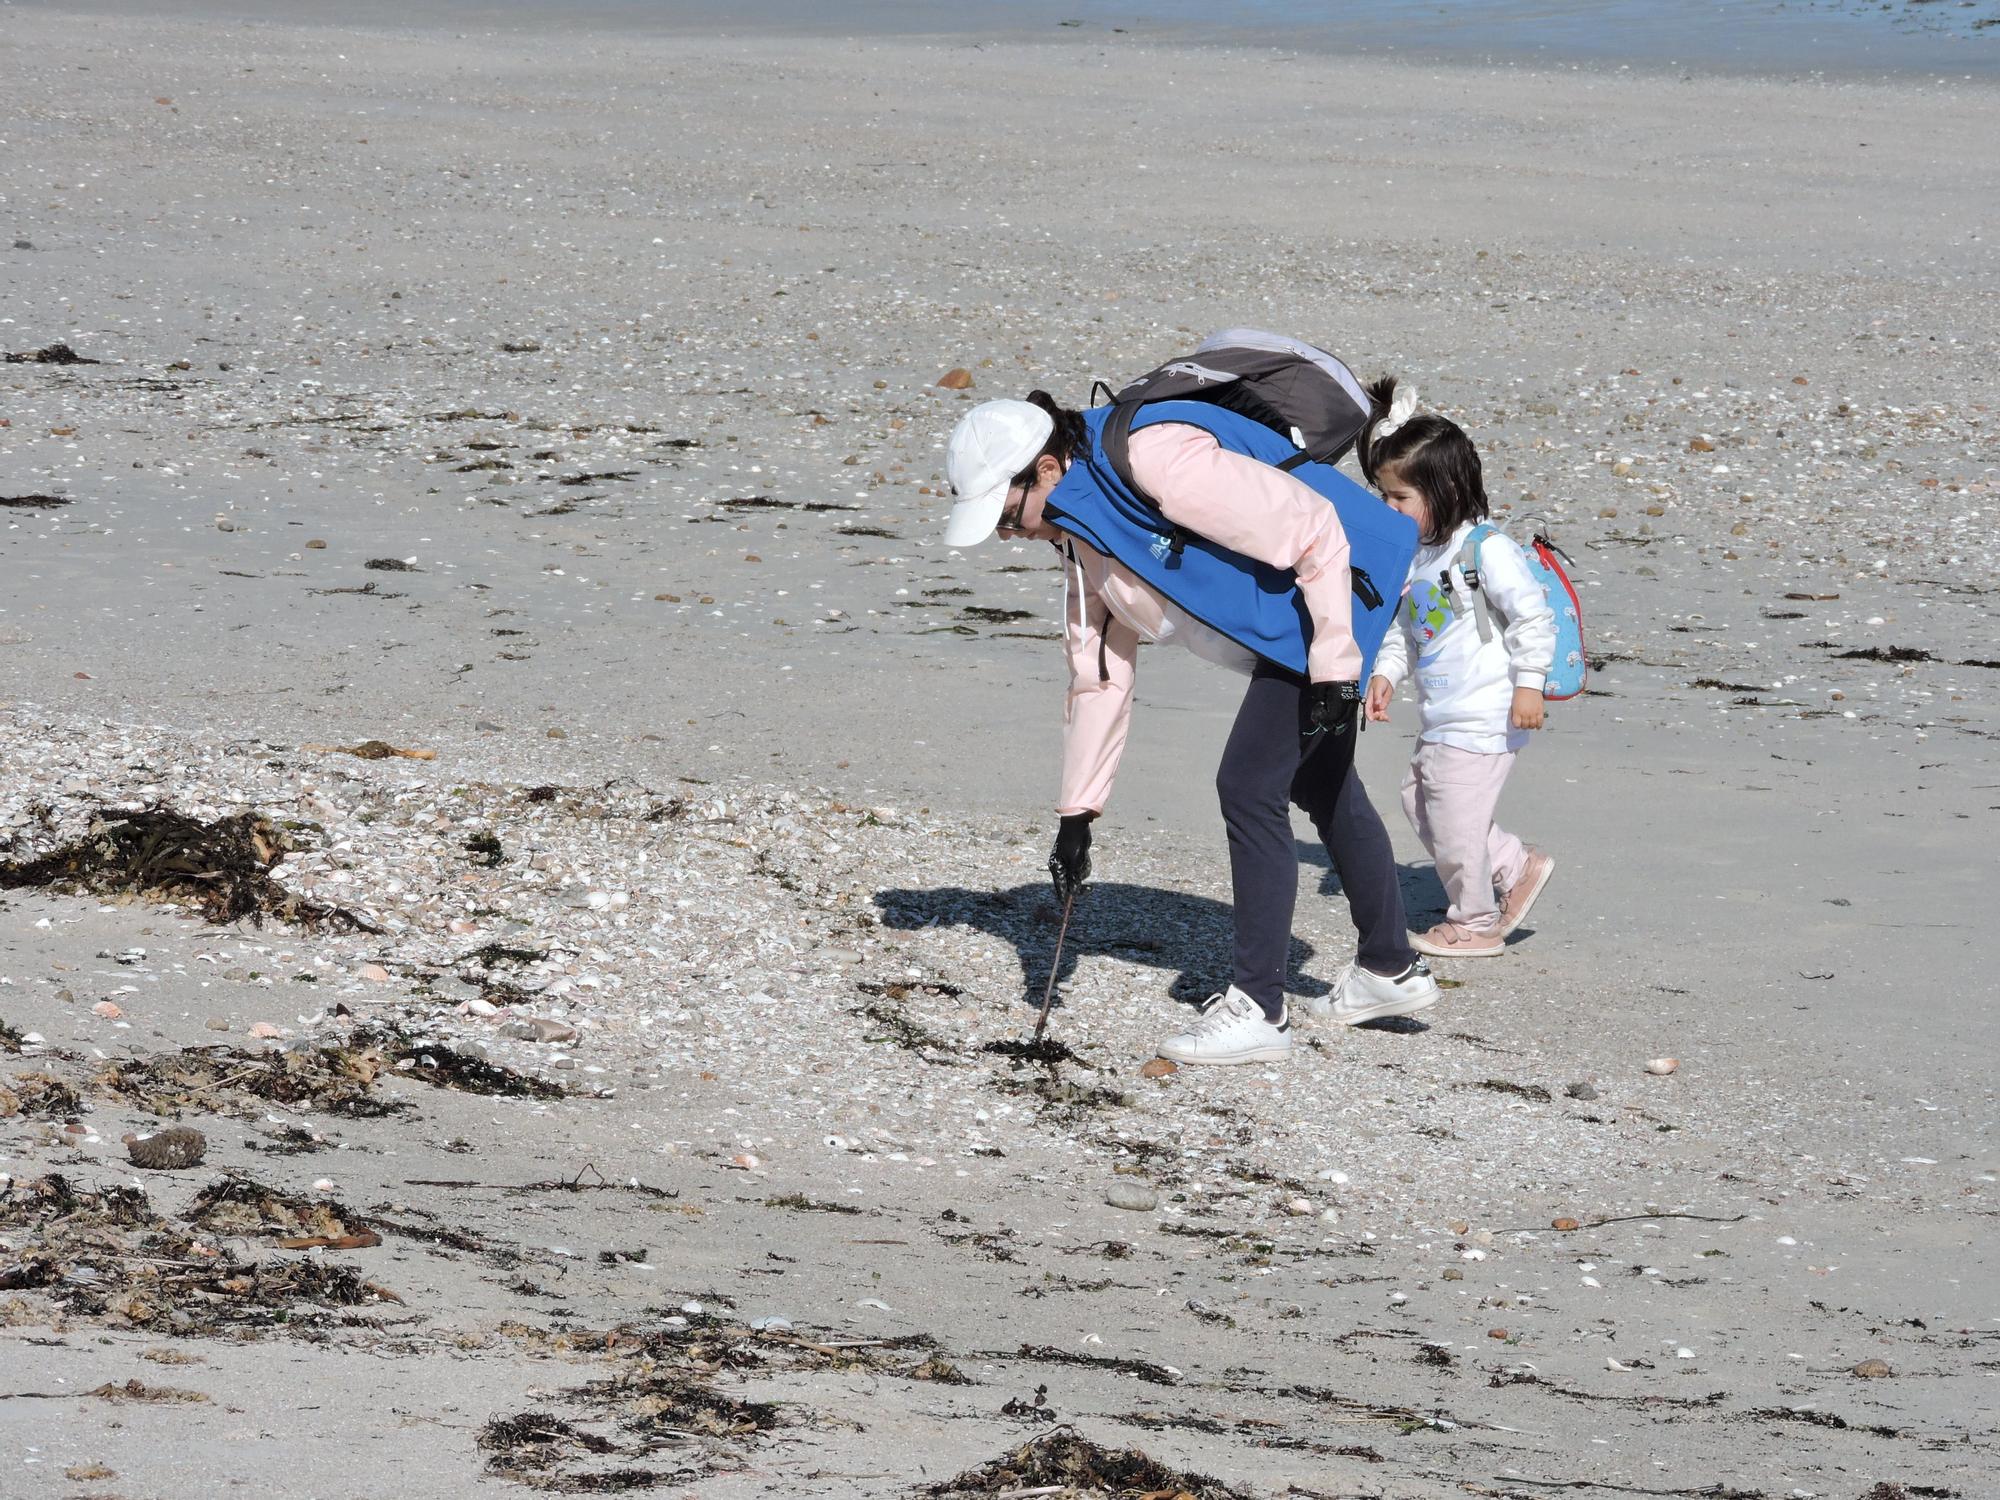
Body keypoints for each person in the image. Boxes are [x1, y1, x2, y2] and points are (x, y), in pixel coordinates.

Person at [940, 389, 1442, 1067]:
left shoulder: (1154, 460)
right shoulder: (1081, 531)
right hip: (1300, 621)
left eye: (1007, 515)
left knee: (1247, 786)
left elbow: (1315, 527)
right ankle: (1389, 968)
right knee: (1322, 783)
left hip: (1339, 592)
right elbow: (1099, 674)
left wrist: (1332, 664)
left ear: (1047, 472)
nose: (1008, 534)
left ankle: (1260, 1008)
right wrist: (1077, 813)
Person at [1361, 381, 1557, 958]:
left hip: (1486, 710)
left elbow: (1532, 617)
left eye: (1400, 499)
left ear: (1444, 490)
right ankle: (1514, 865)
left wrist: (1529, 685)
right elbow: (1404, 628)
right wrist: (1387, 674)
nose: (1390, 511)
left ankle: (1473, 922)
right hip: (1443, 712)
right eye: (1385, 498)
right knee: (1419, 799)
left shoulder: (1485, 549)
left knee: (1451, 813)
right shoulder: (1419, 556)